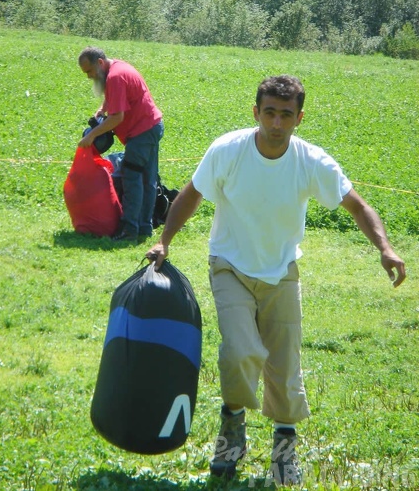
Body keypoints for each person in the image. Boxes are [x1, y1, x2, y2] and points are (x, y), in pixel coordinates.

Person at [145, 75, 406, 485]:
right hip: (229, 264)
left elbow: (357, 205)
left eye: (286, 115)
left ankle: (284, 448)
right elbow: (192, 194)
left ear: (299, 118)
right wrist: (164, 241)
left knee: (284, 366)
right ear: (256, 113)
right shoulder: (228, 150)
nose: (277, 123)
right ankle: (232, 430)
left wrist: (385, 247)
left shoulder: (311, 161)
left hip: (282, 271)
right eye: (269, 112)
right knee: (239, 351)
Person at [78, 46, 164, 242]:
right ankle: (144, 228)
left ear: (100, 63)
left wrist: (91, 136)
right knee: (147, 180)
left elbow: (117, 118)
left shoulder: (115, 77)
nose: (89, 77)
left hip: (142, 132)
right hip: (152, 126)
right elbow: (117, 97)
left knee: (132, 178)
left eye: (89, 71)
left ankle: (130, 229)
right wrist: (103, 107)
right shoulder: (116, 67)